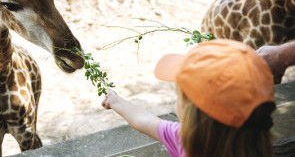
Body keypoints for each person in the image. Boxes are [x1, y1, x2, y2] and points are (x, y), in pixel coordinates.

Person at [102, 39, 276, 157]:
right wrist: (116, 102)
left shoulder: (185, 142)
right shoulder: (255, 143)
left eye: (179, 96)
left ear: (193, 113)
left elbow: (144, 120)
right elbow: (143, 119)